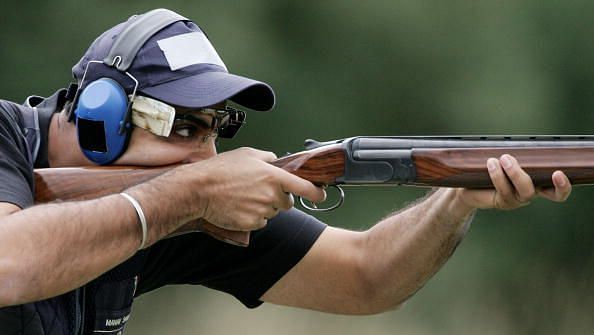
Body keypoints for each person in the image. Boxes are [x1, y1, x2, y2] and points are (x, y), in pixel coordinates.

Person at [0, 8, 571, 335]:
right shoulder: (8, 135)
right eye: (183, 129)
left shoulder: (180, 203)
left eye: (216, 129)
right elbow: (9, 264)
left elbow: (368, 277)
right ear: (102, 117)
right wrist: (184, 196)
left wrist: (455, 197)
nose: (205, 158)